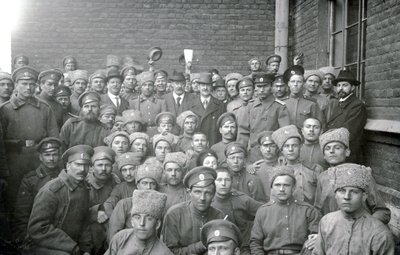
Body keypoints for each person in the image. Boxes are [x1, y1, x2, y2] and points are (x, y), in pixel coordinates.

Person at [0, 66, 59, 221]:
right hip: (15, 161)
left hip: (39, 160)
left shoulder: (45, 108)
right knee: (14, 200)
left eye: (32, 84)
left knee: (40, 197)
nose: (28, 87)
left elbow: (55, 138)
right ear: (16, 85)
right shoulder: (5, 110)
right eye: (24, 83)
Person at [312, 163, 395, 255]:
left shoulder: (379, 233)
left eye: (354, 192)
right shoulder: (326, 222)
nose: (347, 197)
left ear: (364, 196)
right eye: (341, 191)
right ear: (335, 194)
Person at [314, 128, 391, 224]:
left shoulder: (362, 174)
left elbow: (382, 212)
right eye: (327, 148)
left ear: (347, 152)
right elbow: (318, 210)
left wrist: (366, 227)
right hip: (333, 231)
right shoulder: (322, 178)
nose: (332, 151)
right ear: (324, 155)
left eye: (337, 148)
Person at [27, 145, 94, 255]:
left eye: (86, 165)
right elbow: (37, 228)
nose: (82, 169)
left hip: (70, 244)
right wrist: (72, 248)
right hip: (42, 245)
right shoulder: (52, 190)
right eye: (78, 164)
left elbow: (84, 222)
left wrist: (86, 249)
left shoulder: (84, 188)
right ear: (68, 165)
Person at [250, 166, 321, 255]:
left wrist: (315, 241)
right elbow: (255, 243)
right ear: (271, 188)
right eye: (277, 185)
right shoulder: (263, 211)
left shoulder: (308, 211)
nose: (281, 189)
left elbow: (316, 239)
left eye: (286, 185)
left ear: (294, 188)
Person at [162, 166, 225, 254]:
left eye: (207, 193)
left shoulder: (219, 216)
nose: (202, 198)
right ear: (189, 193)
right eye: (197, 192)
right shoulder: (174, 215)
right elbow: (169, 252)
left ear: (214, 195)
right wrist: (201, 245)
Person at [13, 137, 62, 244]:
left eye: (55, 154)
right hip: (39, 233)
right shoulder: (31, 180)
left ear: (59, 156)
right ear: (40, 157)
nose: (52, 158)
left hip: (61, 231)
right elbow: (22, 214)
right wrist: (25, 238)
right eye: (47, 155)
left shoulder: (65, 176)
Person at [212, 167, 263, 254]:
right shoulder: (209, 202)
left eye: (227, 180)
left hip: (244, 247)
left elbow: (264, 211)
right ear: (213, 183)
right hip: (220, 248)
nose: (223, 183)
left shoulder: (242, 199)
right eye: (219, 180)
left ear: (232, 182)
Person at [107, 163, 163, 242]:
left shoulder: (159, 206)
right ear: (138, 185)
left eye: (152, 183)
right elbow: (113, 234)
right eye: (144, 183)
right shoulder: (124, 204)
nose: (148, 187)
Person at [105, 190, 173, 255]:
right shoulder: (121, 238)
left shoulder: (164, 253)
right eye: (137, 217)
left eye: (149, 218)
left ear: (157, 224)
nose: (141, 223)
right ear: (132, 221)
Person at [272, 125, 323, 205]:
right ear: (281, 150)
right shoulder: (277, 170)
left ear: (300, 147)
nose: (290, 149)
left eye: (294, 146)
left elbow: (320, 198)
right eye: (286, 146)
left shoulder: (314, 169)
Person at [326, 68, 367, 163]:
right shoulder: (338, 104)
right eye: (338, 85)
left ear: (352, 88)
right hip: (335, 151)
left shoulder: (357, 105)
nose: (340, 88)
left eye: (345, 85)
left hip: (348, 154)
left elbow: (348, 132)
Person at [239, 72, 290, 149]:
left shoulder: (279, 107)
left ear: (271, 87)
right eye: (259, 86)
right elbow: (243, 132)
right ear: (255, 88)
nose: (262, 90)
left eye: (265, 86)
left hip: (271, 150)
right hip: (253, 151)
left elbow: (284, 133)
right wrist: (241, 151)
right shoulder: (250, 106)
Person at [87, 146, 120, 254]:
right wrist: (95, 211)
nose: (104, 169)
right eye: (100, 165)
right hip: (89, 232)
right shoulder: (84, 184)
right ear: (92, 168)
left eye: (107, 165)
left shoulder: (115, 181)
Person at [190, 72, 226, 145]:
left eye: (208, 85)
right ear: (199, 87)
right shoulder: (191, 104)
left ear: (211, 87)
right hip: (197, 144)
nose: (205, 88)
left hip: (213, 142)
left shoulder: (220, 105)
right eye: (203, 85)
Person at [103, 152, 142, 217]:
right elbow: (109, 204)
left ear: (138, 169)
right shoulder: (119, 188)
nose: (128, 173)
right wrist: (117, 219)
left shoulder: (146, 184)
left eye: (132, 169)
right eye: (124, 170)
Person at [129, 71, 167, 137]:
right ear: (140, 87)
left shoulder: (161, 101)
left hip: (158, 133)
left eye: (150, 85)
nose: (147, 87)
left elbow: (164, 120)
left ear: (154, 87)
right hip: (140, 133)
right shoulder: (134, 101)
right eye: (144, 85)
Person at [246, 131, 280, 198]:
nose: (268, 149)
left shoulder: (283, 165)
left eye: (272, 146)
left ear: (277, 148)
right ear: (260, 148)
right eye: (265, 146)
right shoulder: (256, 169)